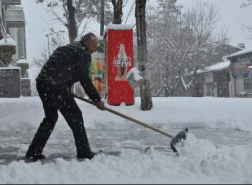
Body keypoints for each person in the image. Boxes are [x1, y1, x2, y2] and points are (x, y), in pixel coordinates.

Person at [26, 33, 105, 161]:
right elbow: (84, 79)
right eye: (93, 46)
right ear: (85, 42)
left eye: (95, 47)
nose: (94, 49)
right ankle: (84, 151)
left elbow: (61, 69)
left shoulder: (66, 48)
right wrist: (97, 100)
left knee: (50, 118)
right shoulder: (83, 53)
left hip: (43, 84)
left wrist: (67, 88)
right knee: (76, 116)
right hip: (55, 86)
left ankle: (33, 152)